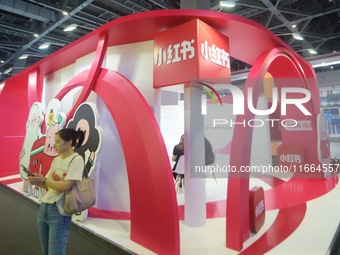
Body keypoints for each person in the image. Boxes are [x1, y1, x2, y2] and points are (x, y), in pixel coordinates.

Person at [28, 128, 85, 255]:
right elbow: (49, 186)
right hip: (44, 208)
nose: (54, 145)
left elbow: (66, 186)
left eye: (58, 142)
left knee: (56, 252)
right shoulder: (56, 160)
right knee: (46, 251)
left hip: (59, 211)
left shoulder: (77, 160)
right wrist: (39, 181)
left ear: (69, 142)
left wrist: (44, 181)